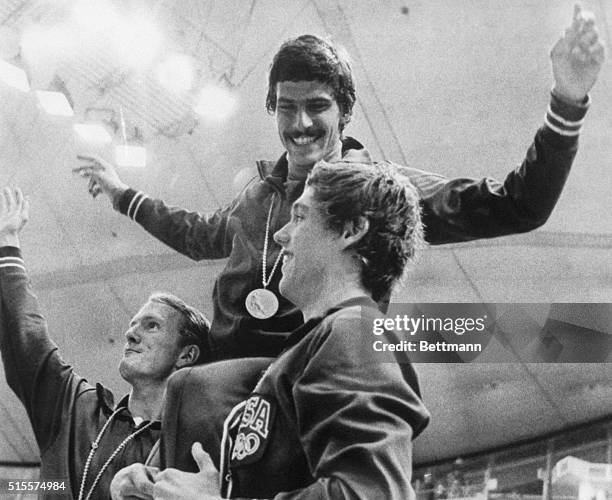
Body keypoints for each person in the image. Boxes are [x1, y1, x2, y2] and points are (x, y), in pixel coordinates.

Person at [75, 6, 604, 360]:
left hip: (311, 394)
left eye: (317, 107)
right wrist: (123, 196)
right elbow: (195, 235)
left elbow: (518, 206)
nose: (300, 124)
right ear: (272, 110)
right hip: (227, 403)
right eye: (287, 108)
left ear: (345, 111)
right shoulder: (256, 195)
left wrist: (568, 102)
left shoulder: (378, 191)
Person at [112, 160, 431, 500]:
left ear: (351, 230)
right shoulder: (312, 348)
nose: (281, 234)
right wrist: (158, 483)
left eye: (300, 217)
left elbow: (371, 495)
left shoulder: (353, 332)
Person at [0, 187, 211, 500]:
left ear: (187, 354)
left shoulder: (198, 449)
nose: (131, 334)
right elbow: (27, 338)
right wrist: (7, 241)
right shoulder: (77, 407)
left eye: (152, 326)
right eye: (132, 325)